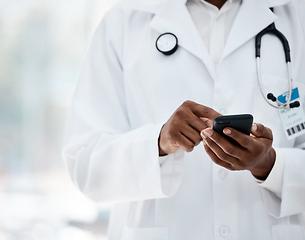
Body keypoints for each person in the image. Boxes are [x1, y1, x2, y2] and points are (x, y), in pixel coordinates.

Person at [63, 0, 305, 239]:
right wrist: (158, 142)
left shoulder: (298, 17)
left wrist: (271, 165)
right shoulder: (123, 21)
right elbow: (85, 163)